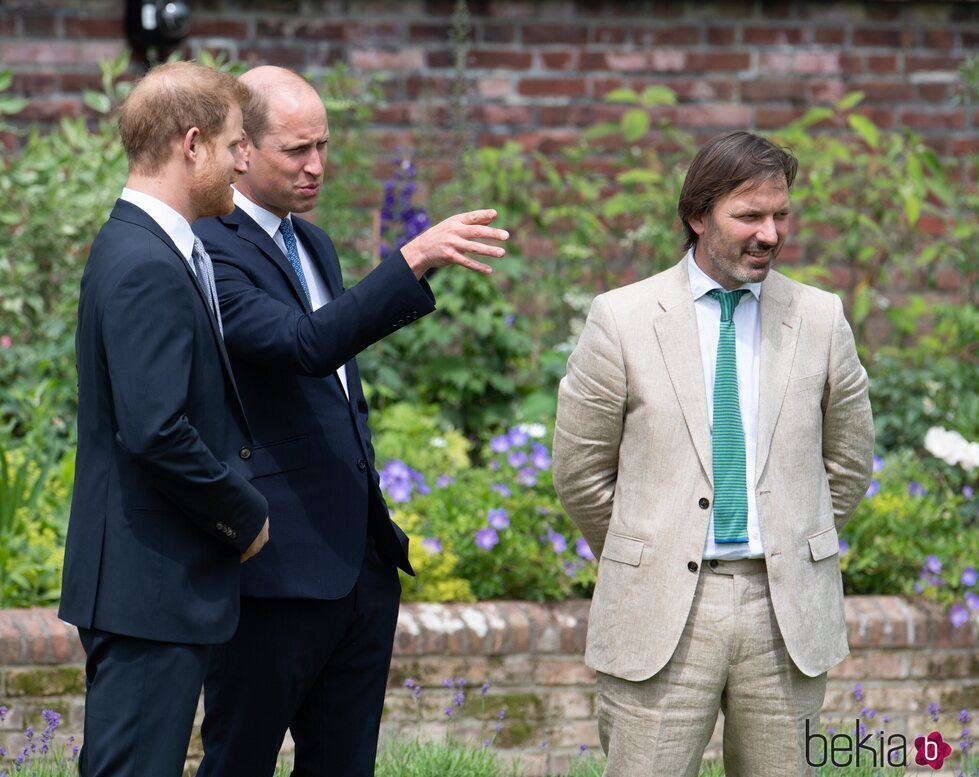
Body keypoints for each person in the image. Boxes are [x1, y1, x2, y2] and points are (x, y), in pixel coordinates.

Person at [194, 65, 508, 777]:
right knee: (237, 761)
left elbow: (338, 390)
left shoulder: (313, 243)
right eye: (296, 150)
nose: (316, 166)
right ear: (239, 149)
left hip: (357, 570)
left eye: (324, 147)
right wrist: (414, 256)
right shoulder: (209, 245)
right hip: (272, 570)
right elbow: (303, 346)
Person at [552, 131, 874, 777]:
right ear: (697, 215)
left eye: (780, 214)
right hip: (660, 612)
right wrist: (649, 548)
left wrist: (788, 533)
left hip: (783, 613)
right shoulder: (621, 318)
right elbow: (581, 471)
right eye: (748, 216)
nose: (770, 233)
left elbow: (848, 460)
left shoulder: (818, 317)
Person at [58, 61, 271, 777]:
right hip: (150, 585)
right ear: (192, 144)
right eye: (237, 143)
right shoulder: (144, 261)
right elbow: (154, 429)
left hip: (151, 582)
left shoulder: (151, 245)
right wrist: (242, 514)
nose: (246, 161)